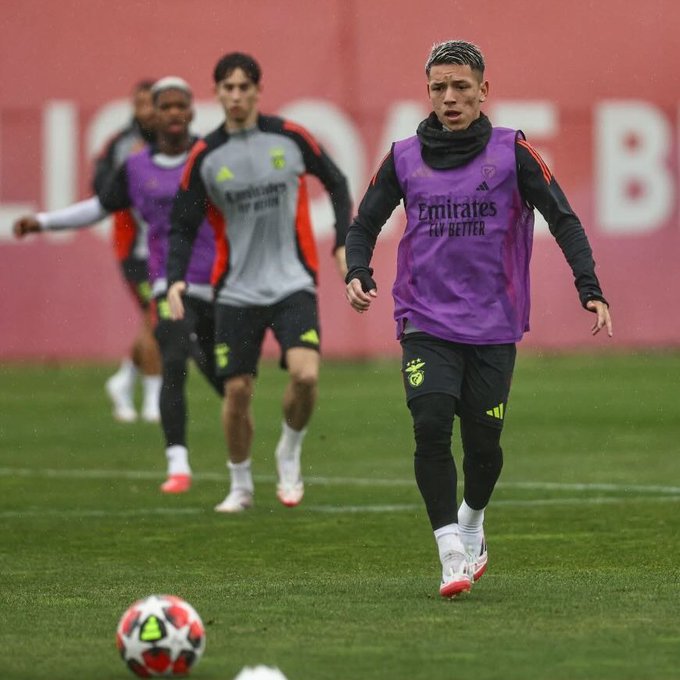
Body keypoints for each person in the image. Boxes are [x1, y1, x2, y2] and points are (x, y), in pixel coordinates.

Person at [344, 40, 613, 598]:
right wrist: (358, 270)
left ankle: (471, 521)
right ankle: (450, 552)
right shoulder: (402, 156)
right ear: (428, 93)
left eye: (460, 86)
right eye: (438, 87)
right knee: (430, 424)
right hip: (424, 318)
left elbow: (563, 218)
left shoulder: (513, 152)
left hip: (493, 323)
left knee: (484, 448)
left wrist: (589, 287)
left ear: (483, 90)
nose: (449, 97)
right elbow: (364, 222)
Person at [13, 77, 223, 494]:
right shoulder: (135, 166)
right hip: (166, 280)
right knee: (173, 357)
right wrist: (44, 221)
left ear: (191, 111)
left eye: (181, 105)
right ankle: (177, 464)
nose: (173, 113)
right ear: (152, 114)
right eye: (165, 106)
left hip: (217, 280)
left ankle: (249, 460)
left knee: (228, 377)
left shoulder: (211, 157)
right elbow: (100, 207)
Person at [166, 52, 352, 512]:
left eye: (243, 87)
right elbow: (183, 225)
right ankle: (241, 486)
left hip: (293, 282)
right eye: (227, 88)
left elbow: (337, 182)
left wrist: (342, 242)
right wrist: (174, 279)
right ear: (216, 93)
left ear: (257, 91)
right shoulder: (206, 156)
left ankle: (289, 451)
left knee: (306, 376)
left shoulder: (289, 137)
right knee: (237, 390)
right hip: (236, 290)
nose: (235, 96)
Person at [92, 79, 163, 424]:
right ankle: (152, 399)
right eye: (139, 104)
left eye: (151, 103)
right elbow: (101, 190)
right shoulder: (122, 145)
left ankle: (124, 379)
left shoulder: (173, 141)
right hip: (135, 247)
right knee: (156, 316)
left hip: (164, 247)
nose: (145, 111)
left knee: (157, 317)